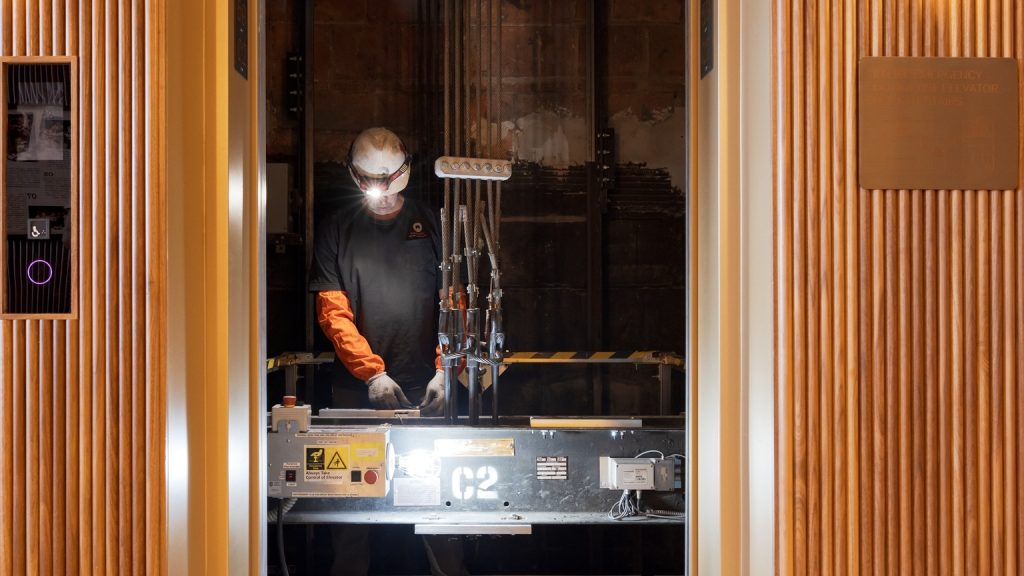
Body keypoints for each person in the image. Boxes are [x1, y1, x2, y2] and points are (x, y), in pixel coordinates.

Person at [308, 127, 466, 575]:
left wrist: (445, 370)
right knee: (351, 510)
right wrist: (371, 373)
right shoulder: (337, 229)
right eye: (369, 185)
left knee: (439, 506)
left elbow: (454, 305)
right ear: (355, 177)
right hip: (356, 393)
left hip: (426, 389)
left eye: (388, 184)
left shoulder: (433, 224)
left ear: (404, 174)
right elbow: (333, 313)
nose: (380, 195)